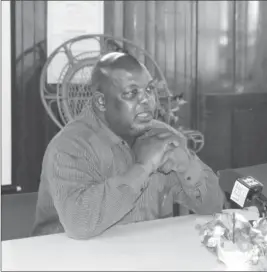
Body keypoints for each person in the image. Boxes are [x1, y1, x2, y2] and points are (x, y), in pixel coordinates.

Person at [32, 52, 225, 239]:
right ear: (101, 101)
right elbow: (79, 225)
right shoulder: (69, 146)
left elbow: (215, 206)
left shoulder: (162, 136)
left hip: (141, 256)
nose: (147, 101)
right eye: (132, 93)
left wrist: (186, 166)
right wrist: (142, 168)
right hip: (67, 259)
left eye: (149, 90)